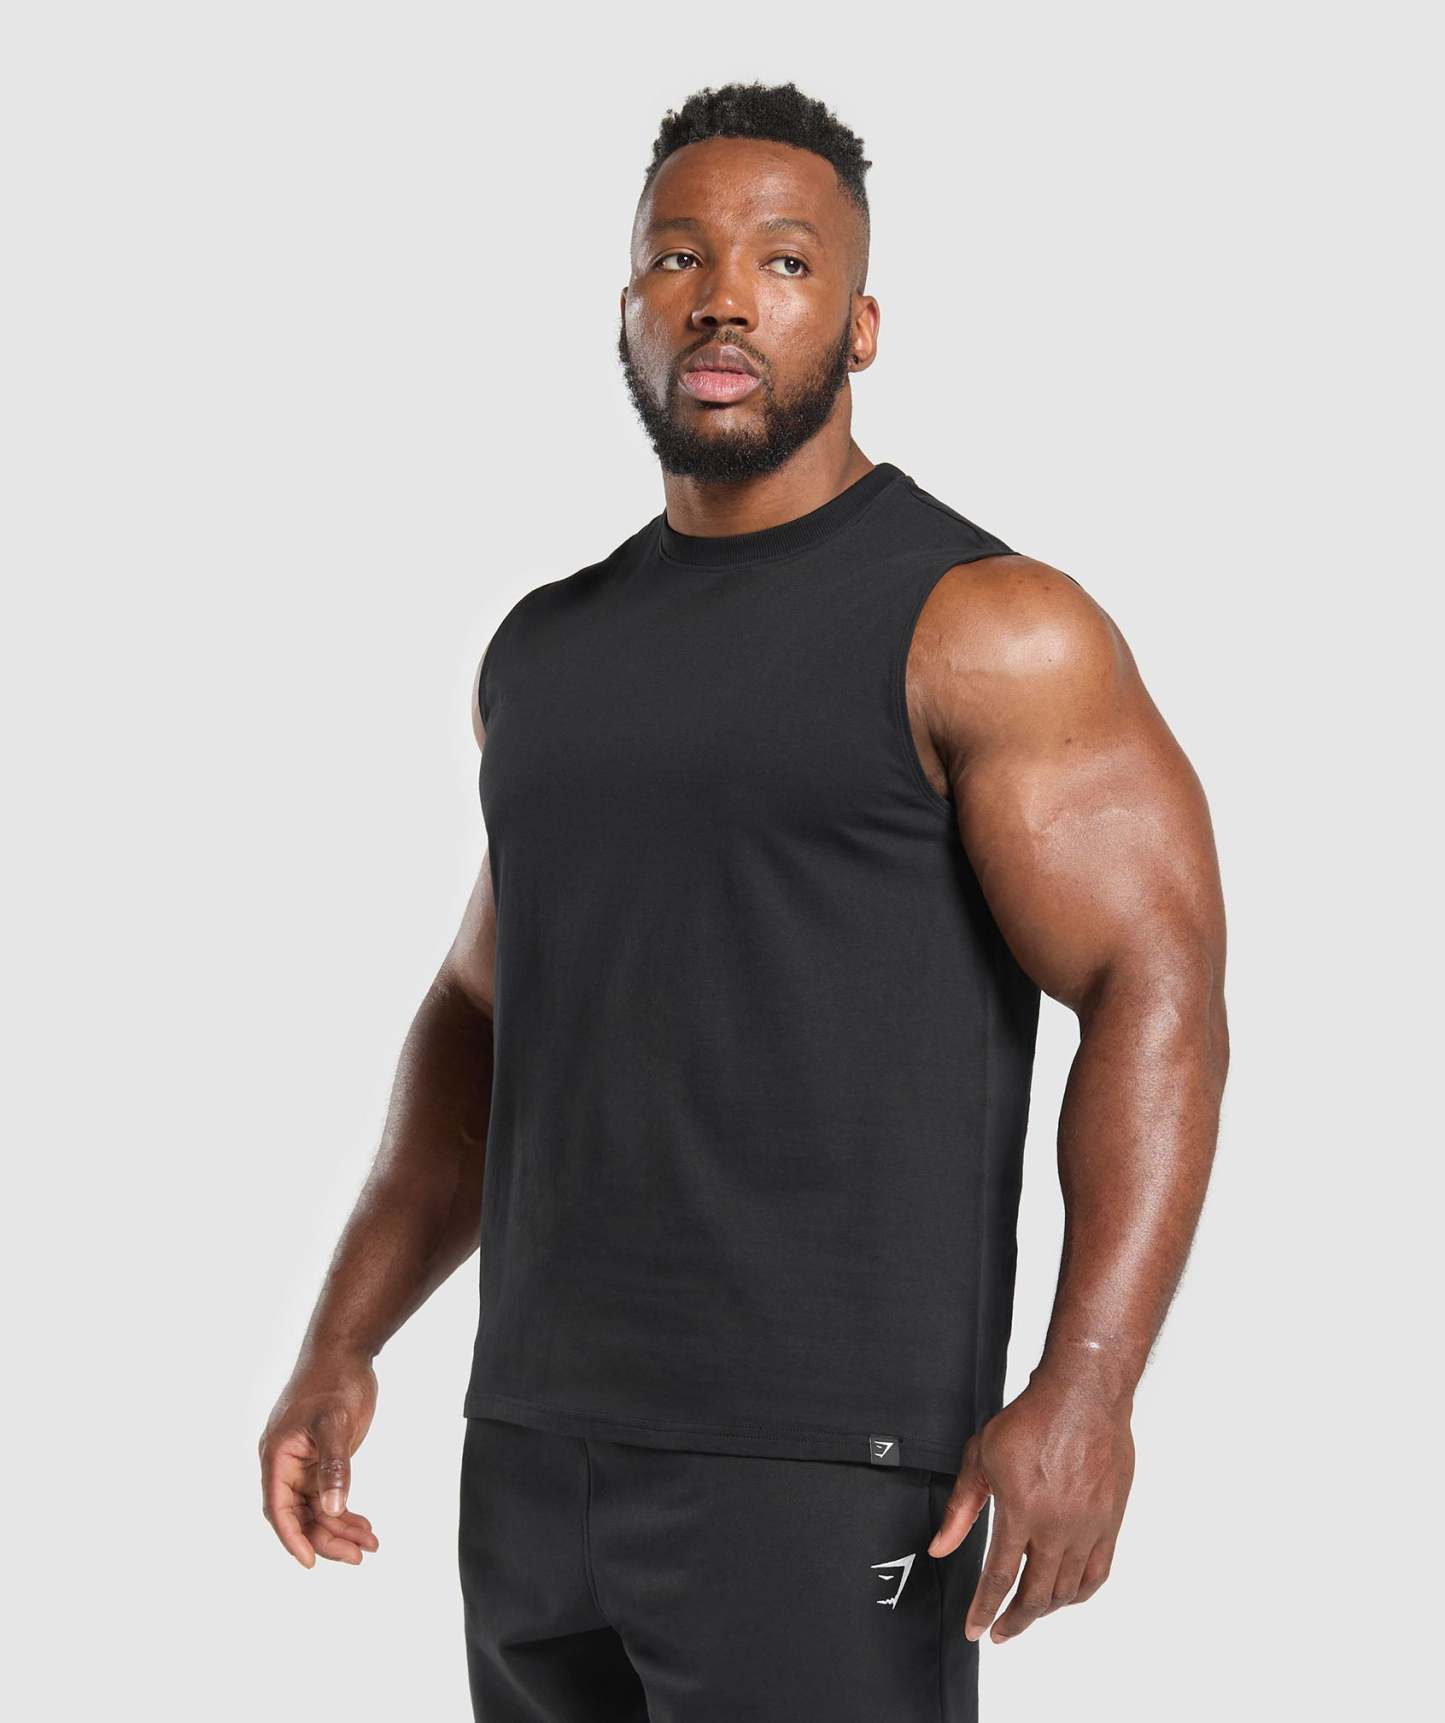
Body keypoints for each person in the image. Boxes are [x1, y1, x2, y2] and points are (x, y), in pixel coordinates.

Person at [259, 80, 1230, 1723]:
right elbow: (484, 1006)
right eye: (678, 257)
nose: (722, 297)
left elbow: (1158, 985)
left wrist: (1086, 1386)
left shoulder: (987, 626)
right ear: (628, 311)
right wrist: (343, 1336)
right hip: (535, 1452)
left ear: (858, 326)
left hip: (831, 1469)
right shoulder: (545, 651)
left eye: (783, 263)